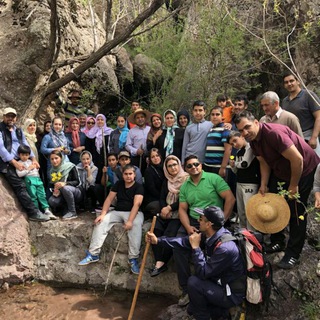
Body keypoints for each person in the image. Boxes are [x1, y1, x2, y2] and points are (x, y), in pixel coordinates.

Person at [234, 111, 319, 269]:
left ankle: (293, 253)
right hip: (281, 171)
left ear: (257, 123)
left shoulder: (273, 134)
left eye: (247, 127)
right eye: (240, 131)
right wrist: (264, 183)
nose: (244, 133)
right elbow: (264, 162)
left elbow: (297, 159)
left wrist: (293, 186)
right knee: (272, 202)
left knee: (296, 209)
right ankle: (277, 241)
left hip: (304, 168)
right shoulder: (253, 140)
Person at [146, 206, 246, 320]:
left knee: (194, 283)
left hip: (230, 294)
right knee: (192, 308)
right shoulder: (210, 234)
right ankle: (218, 313)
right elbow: (183, 242)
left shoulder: (225, 248)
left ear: (209, 224)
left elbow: (203, 272)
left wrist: (196, 248)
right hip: (217, 283)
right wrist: (158, 240)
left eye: (201, 219)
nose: (198, 220)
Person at [174, 155, 235, 306]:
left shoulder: (213, 178)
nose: (193, 167)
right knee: (178, 246)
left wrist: (222, 220)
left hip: (213, 222)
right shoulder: (185, 186)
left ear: (200, 165)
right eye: (189, 166)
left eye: (196, 164)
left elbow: (230, 198)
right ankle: (186, 289)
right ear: (185, 168)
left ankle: (209, 288)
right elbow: (182, 209)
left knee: (212, 250)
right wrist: (188, 227)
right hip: (194, 222)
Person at [78, 164, 144, 275]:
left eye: (130, 174)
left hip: (134, 212)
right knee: (101, 222)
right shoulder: (118, 184)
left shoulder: (139, 187)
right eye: (126, 174)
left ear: (134, 174)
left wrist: (130, 221)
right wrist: (102, 214)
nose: (128, 176)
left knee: (136, 225)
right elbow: (109, 199)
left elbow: (137, 204)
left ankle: (133, 258)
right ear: (122, 175)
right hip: (118, 211)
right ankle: (93, 253)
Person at [0, 107, 49, 221]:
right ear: (4, 117)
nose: (10, 118)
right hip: (7, 163)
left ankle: (43, 209)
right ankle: (33, 213)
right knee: (20, 186)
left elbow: (25, 144)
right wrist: (14, 162)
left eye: (13, 116)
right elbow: (1, 148)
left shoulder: (18, 130)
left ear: (16, 118)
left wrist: (33, 159)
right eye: (8, 116)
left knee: (35, 183)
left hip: (22, 160)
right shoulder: (0, 129)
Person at [149, 155, 188, 277]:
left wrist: (170, 208)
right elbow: (162, 197)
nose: (173, 168)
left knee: (170, 234)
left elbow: (185, 199)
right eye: (169, 166)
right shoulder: (167, 180)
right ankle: (159, 261)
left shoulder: (186, 179)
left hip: (178, 212)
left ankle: (160, 263)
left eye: (175, 164)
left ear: (179, 165)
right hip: (165, 212)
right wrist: (163, 209)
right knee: (154, 231)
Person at [227, 131, 260, 229]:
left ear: (242, 136)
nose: (234, 144)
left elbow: (245, 164)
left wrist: (236, 164)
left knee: (249, 210)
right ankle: (243, 232)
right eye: (232, 144)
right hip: (240, 182)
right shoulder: (238, 152)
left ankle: (251, 235)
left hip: (250, 183)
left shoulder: (250, 148)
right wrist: (233, 165)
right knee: (241, 211)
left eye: (235, 141)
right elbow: (237, 170)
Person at [282, 72, 320, 156]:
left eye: (291, 81)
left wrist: (314, 137)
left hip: (308, 136)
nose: (289, 84)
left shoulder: (308, 95)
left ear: (298, 81)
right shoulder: (285, 101)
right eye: (286, 82)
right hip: (293, 139)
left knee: (316, 165)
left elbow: (319, 117)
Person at [16, 145, 56, 220]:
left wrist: (35, 168)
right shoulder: (18, 163)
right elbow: (19, 174)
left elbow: (36, 169)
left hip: (37, 178)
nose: (24, 157)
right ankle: (37, 211)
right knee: (33, 195)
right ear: (19, 155)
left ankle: (46, 210)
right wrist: (28, 169)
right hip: (29, 179)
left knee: (42, 195)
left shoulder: (31, 161)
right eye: (22, 155)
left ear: (29, 155)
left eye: (26, 155)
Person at [48, 150, 83, 220]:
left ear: (61, 158)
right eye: (52, 159)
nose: (54, 161)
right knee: (52, 201)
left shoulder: (70, 166)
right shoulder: (52, 171)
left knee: (65, 188)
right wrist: (54, 191)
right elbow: (51, 185)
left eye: (56, 158)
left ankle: (73, 212)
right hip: (62, 194)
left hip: (76, 192)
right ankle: (65, 208)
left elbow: (78, 182)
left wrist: (65, 183)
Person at [203, 106, 232, 179]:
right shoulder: (211, 129)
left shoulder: (225, 129)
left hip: (218, 167)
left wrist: (223, 167)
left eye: (217, 114)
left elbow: (228, 149)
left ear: (222, 116)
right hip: (208, 166)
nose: (214, 117)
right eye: (212, 114)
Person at [85, 114, 113, 184]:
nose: (100, 121)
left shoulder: (109, 132)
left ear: (105, 121)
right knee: (95, 176)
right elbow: (88, 148)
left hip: (105, 158)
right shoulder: (91, 133)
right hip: (95, 158)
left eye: (102, 120)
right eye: (98, 120)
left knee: (105, 176)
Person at [126, 108, 151, 175]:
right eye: (138, 118)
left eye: (142, 117)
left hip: (149, 157)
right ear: (135, 120)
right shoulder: (131, 131)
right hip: (136, 158)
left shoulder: (150, 129)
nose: (140, 119)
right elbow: (127, 145)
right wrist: (136, 151)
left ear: (145, 118)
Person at [143, 148, 165, 220]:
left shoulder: (165, 168)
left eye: (157, 155)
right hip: (153, 199)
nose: (156, 158)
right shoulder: (148, 171)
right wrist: (162, 199)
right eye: (153, 157)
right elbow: (151, 189)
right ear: (150, 159)